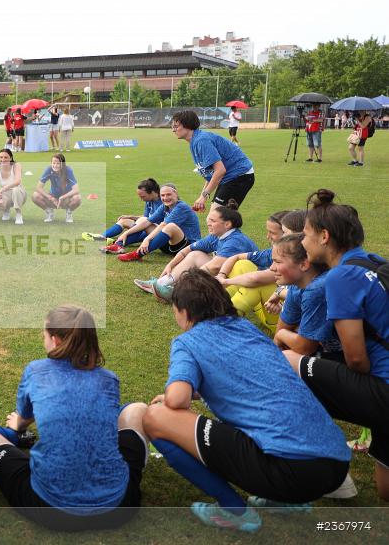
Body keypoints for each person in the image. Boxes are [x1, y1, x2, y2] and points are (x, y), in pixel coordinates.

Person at [141, 269, 351, 532]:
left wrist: (176, 392)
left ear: (183, 311)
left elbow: (176, 400)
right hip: (336, 464)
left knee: (156, 417)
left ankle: (235, 511)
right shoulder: (245, 328)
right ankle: (281, 499)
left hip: (290, 470)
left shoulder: (188, 341)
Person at [0, 306, 148, 531]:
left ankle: (12, 438)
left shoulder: (36, 371)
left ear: (56, 340)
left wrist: (17, 425)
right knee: (137, 409)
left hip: (49, 507)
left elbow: (25, 416)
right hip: (118, 508)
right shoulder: (109, 379)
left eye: (44, 334)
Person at [287, 189, 389, 500]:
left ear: (325, 236)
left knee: (289, 365)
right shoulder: (374, 261)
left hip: (384, 387)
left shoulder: (340, 277)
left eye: (305, 235)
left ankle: (320, 472)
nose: (302, 243)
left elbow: (356, 359)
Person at [134, 201, 256, 300]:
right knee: (195, 254)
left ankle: (173, 290)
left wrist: (184, 283)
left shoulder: (235, 241)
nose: (208, 224)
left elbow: (215, 267)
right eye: (209, 220)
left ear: (228, 224)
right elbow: (188, 249)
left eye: (213, 221)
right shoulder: (217, 235)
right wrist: (170, 265)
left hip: (244, 286)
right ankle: (162, 283)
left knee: (201, 266)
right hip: (227, 278)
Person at [270, 233, 343, 360]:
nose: (271, 268)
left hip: (355, 361)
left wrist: (282, 335)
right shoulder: (296, 286)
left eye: (277, 262)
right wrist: (282, 336)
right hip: (327, 351)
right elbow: (281, 333)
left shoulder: (318, 289)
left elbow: (305, 347)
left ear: (303, 264)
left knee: (287, 358)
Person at [214, 210, 288, 333]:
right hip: (267, 307)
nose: (267, 236)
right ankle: (218, 303)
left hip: (282, 321)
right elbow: (235, 257)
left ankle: (221, 319)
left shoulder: (296, 258)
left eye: (272, 232)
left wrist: (226, 281)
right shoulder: (274, 251)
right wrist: (221, 275)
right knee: (241, 264)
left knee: (257, 285)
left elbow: (256, 279)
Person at [171, 110, 255, 212]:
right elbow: (211, 172)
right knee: (218, 218)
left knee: (217, 218)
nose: (173, 130)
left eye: (176, 126)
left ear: (187, 125)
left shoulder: (201, 141)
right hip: (231, 177)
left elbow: (220, 170)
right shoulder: (195, 141)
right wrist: (203, 197)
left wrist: (204, 196)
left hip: (239, 176)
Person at [108, 183, 201, 262]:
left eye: (169, 194)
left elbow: (163, 225)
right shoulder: (164, 207)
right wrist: (126, 233)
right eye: (163, 195)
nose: (165, 198)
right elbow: (147, 221)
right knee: (144, 220)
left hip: (187, 248)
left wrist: (147, 239)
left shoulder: (181, 207)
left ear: (175, 194)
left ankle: (137, 254)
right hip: (170, 246)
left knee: (170, 226)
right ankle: (118, 245)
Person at [84, 178, 163, 246]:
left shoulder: (162, 203)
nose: (141, 199)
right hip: (146, 227)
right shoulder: (149, 200)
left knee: (141, 224)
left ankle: (117, 243)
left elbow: (147, 220)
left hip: (155, 232)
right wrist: (130, 217)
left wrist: (133, 224)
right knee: (124, 221)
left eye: (143, 196)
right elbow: (146, 217)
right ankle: (102, 237)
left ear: (152, 192)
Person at [33, 153, 80, 223]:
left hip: (66, 200)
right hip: (53, 199)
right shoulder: (49, 169)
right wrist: (50, 198)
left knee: (77, 198)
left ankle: (69, 213)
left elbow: (76, 190)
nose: (55, 165)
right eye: (53, 163)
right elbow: (39, 187)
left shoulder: (68, 170)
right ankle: (49, 212)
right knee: (35, 195)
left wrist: (63, 197)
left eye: (58, 163)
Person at [0, 148, 27, 225]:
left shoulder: (16, 165)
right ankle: (6, 210)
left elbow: (17, 182)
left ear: (10, 158)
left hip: (19, 193)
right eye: (1, 157)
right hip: (6, 194)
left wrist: (3, 188)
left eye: (6, 157)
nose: (3, 160)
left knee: (15, 190)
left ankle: (18, 213)